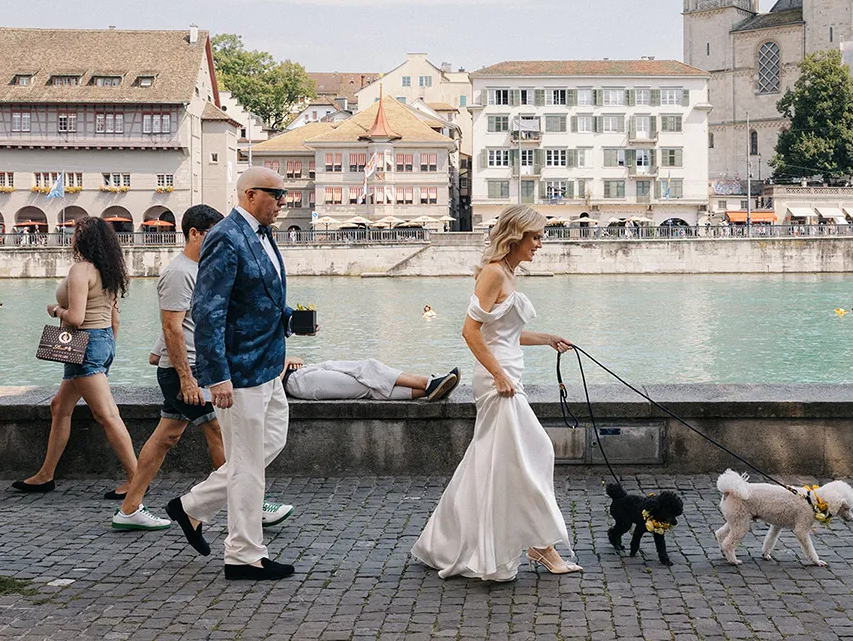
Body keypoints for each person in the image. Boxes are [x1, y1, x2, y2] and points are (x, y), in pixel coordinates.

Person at [411, 204, 580, 581]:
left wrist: (548, 338)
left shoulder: (508, 273)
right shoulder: (492, 273)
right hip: (498, 381)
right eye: (535, 237)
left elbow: (504, 333)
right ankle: (541, 546)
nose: (540, 244)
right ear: (516, 236)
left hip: (507, 374)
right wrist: (499, 375)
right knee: (534, 452)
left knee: (493, 462)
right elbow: (470, 332)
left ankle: (449, 541)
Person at [166, 167, 316, 581]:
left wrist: (291, 319)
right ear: (250, 194)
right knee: (247, 464)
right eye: (277, 194)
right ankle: (244, 554)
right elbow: (208, 311)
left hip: (268, 365)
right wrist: (217, 377)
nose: (284, 201)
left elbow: (259, 299)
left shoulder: (263, 235)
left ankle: (192, 506)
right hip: (240, 372)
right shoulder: (226, 237)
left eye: (285, 194)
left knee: (269, 443)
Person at [112, 205, 297, 530]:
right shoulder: (179, 272)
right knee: (223, 436)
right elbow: (171, 326)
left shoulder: (203, 268)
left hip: (188, 368)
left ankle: (129, 509)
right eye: (213, 233)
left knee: (166, 438)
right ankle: (251, 505)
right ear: (194, 233)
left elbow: (182, 323)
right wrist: (185, 379)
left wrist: (158, 354)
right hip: (191, 372)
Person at [14, 216, 138, 497]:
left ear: (82, 240)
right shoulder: (108, 270)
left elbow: (76, 318)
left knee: (107, 414)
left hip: (84, 345)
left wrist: (55, 310)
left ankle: (136, 479)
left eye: (73, 234)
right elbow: (115, 318)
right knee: (59, 406)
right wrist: (108, 348)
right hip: (99, 341)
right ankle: (45, 475)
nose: (70, 238)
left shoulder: (81, 270)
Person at [283, 355, 460, 402]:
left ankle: (429, 390)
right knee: (366, 384)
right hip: (296, 382)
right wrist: (287, 361)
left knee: (367, 371)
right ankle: (428, 384)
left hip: (303, 372)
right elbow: (272, 379)